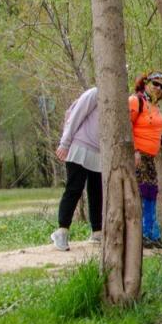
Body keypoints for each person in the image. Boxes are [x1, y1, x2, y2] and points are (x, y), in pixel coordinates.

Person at [52, 87, 102, 250]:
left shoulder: (118, 100)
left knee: (96, 191)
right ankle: (62, 231)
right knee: (74, 188)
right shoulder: (94, 93)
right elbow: (75, 116)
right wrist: (65, 143)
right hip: (79, 146)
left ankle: (97, 231)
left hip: (98, 152)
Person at [130, 72, 162, 248]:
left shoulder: (154, 106)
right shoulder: (135, 101)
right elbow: (127, 125)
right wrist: (134, 150)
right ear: (146, 83)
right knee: (144, 192)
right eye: (155, 84)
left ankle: (153, 233)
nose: (158, 88)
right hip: (139, 156)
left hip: (151, 157)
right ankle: (144, 233)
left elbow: (153, 131)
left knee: (151, 193)